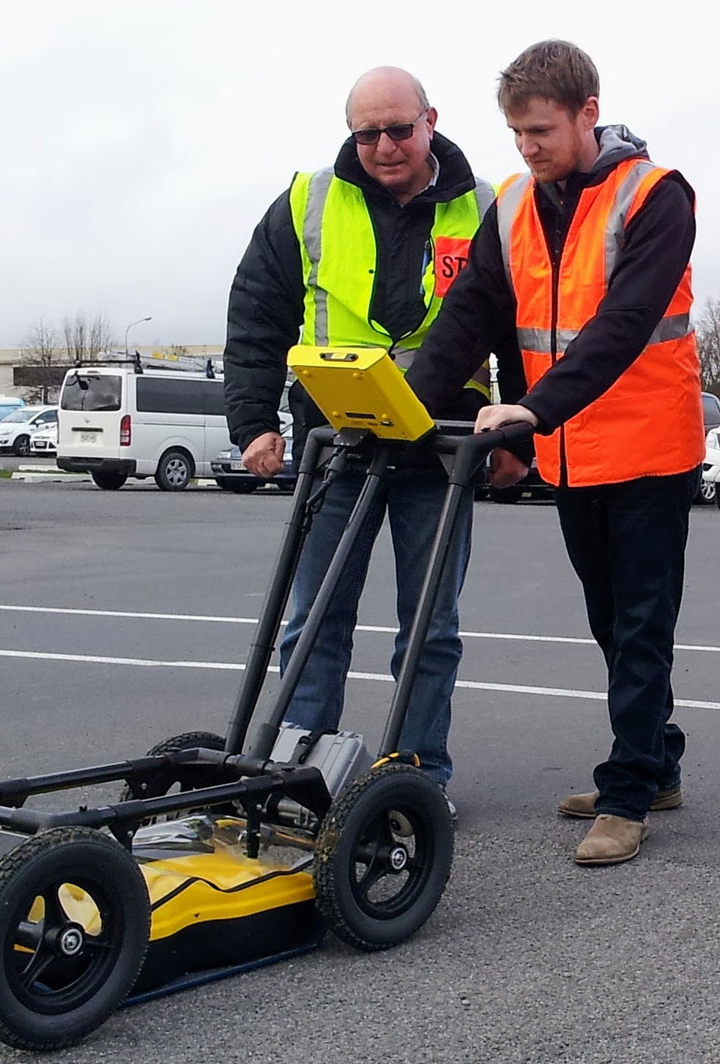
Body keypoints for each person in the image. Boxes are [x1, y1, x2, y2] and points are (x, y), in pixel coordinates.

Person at [405, 39, 703, 865]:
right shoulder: (513, 204)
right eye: (515, 134)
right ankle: (659, 756)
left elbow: (620, 328)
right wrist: (407, 405)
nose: (528, 147)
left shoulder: (657, 198)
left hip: (648, 450)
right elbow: (472, 312)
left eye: (540, 130)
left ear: (587, 114)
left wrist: (532, 409)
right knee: (609, 623)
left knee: (642, 626)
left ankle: (631, 790)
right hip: (571, 454)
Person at [223, 66, 520, 811]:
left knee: (430, 627)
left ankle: (417, 781)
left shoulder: (486, 206)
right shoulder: (308, 201)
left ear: (431, 121)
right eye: (366, 133)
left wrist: (522, 430)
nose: (383, 146)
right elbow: (257, 314)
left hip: (442, 443)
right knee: (314, 617)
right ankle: (297, 773)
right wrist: (253, 423)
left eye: (398, 129)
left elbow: (518, 325)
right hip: (337, 438)